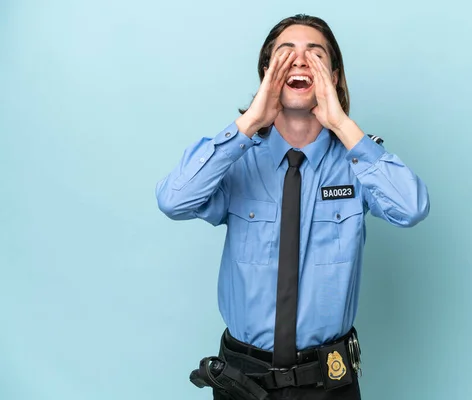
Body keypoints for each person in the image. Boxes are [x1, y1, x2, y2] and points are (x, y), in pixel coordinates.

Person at [156, 14, 430, 400]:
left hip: (329, 382)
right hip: (241, 380)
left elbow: (412, 207)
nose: (300, 61)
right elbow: (174, 199)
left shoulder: (355, 164)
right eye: (286, 55)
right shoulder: (237, 162)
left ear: (333, 77)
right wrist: (251, 120)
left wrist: (343, 126)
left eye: (315, 55)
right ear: (267, 74)